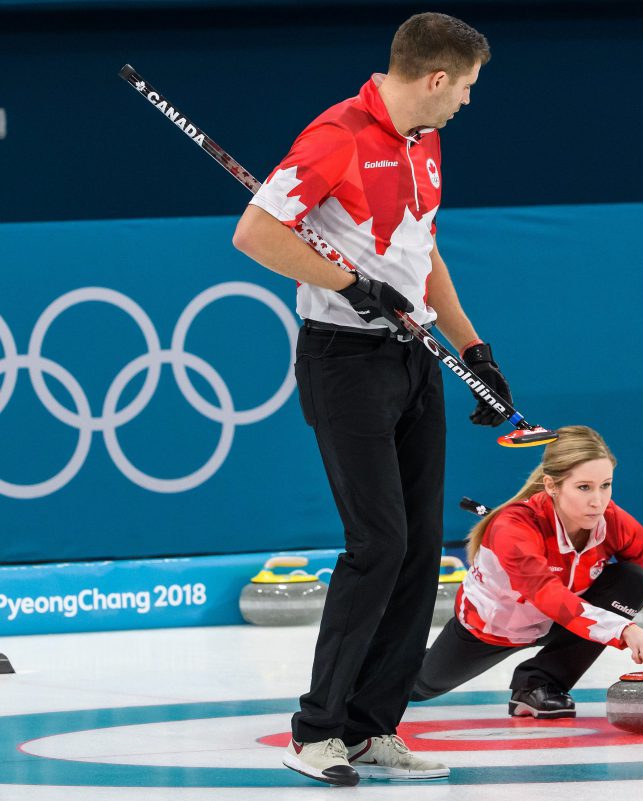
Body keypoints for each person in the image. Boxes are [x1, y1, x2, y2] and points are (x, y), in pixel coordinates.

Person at [232, 12, 505, 787]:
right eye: (467, 89)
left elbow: (423, 250)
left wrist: (473, 347)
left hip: (414, 357)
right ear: (436, 78)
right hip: (344, 361)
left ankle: (371, 727)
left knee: (421, 551)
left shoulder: (426, 140)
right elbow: (254, 233)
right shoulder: (337, 135)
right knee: (378, 542)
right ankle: (316, 730)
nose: (467, 104)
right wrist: (354, 285)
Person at [412, 425, 643, 717]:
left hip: (567, 622)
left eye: (606, 485)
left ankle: (537, 686)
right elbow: (548, 596)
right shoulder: (514, 527)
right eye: (583, 487)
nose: (598, 501)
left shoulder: (611, 521)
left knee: (632, 580)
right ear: (552, 486)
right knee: (417, 687)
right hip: (491, 631)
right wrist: (626, 631)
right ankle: (376, 665)